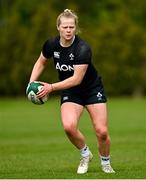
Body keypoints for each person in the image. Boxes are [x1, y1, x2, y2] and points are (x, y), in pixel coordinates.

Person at [28, 9, 115, 174]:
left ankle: (105, 163)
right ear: (58, 28)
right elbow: (41, 62)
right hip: (71, 92)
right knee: (69, 126)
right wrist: (31, 83)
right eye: (65, 27)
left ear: (76, 28)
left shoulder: (83, 48)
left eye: (71, 27)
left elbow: (77, 79)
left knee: (102, 131)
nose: (68, 30)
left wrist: (51, 87)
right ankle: (85, 154)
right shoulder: (51, 45)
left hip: (91, 89)